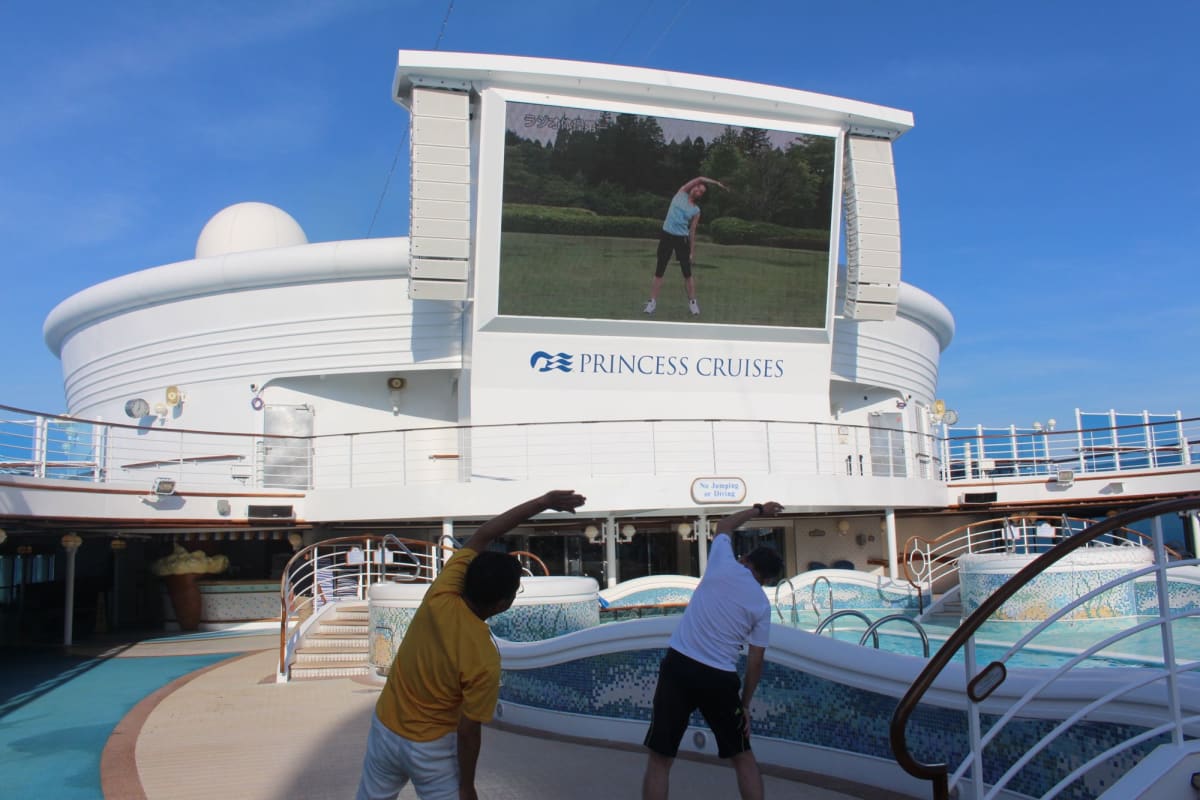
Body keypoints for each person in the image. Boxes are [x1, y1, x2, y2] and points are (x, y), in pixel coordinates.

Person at [356, 489, 587, 800]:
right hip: (431, 750)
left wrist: (542, 502)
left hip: (385, 727)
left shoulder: (442, 592)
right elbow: (468, 731)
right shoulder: (484, 657)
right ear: (502, 603)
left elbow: (484, 534)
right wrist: (467, 786)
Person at [642, 501, 785, 800]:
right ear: (769, 580)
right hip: (719, 679)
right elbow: (756, 662)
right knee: (743, 758)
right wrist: (744, 705)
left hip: (679, 667)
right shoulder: (761, 605)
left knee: (660, 759)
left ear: (745, 559)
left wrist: (759, 510)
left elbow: (724, 526)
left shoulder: (723, 562)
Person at [643, 176, 726, 317]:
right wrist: (717, 183)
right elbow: (699, 177)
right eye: (697, 187)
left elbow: (692, 231)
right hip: (666, 236)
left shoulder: (696, 211)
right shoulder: (680, 193)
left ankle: (693, 303)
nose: (698, 189)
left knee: (687, 274)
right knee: (659, 271)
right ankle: (652, 303)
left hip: (682, 240)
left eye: (701, 191)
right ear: (692, 187)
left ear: (701, 196)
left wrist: (691, 252)